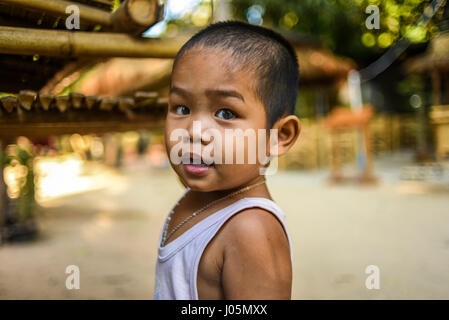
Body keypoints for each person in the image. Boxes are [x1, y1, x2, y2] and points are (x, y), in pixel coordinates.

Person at [154, 21, 301, 300]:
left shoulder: (251, 230)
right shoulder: (196, 198)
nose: (194, 133)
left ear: (279, 136)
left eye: (226, 113)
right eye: (182, 108)